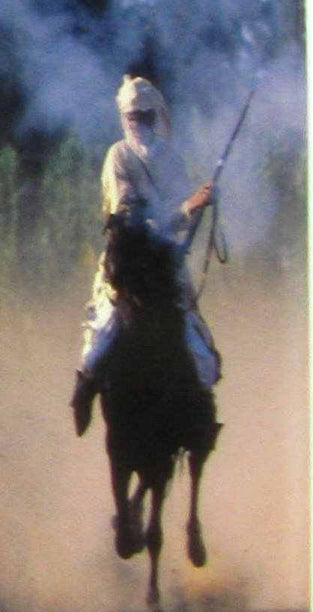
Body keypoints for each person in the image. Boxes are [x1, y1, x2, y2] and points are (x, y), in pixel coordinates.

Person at [70, 74, 219, 436]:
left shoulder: (171, 158)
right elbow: (129, 217)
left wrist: (202, 203)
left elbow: (182, 213)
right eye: (131, 116)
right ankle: (83, 390)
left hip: (165, 264)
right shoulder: (118, 156)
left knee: (201, 353)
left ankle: (200, 420)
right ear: (124, 119)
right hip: (128, 264)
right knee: (102, 338)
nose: (137, 122)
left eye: (144, 115)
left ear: (155, 116)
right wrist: (187, 207)